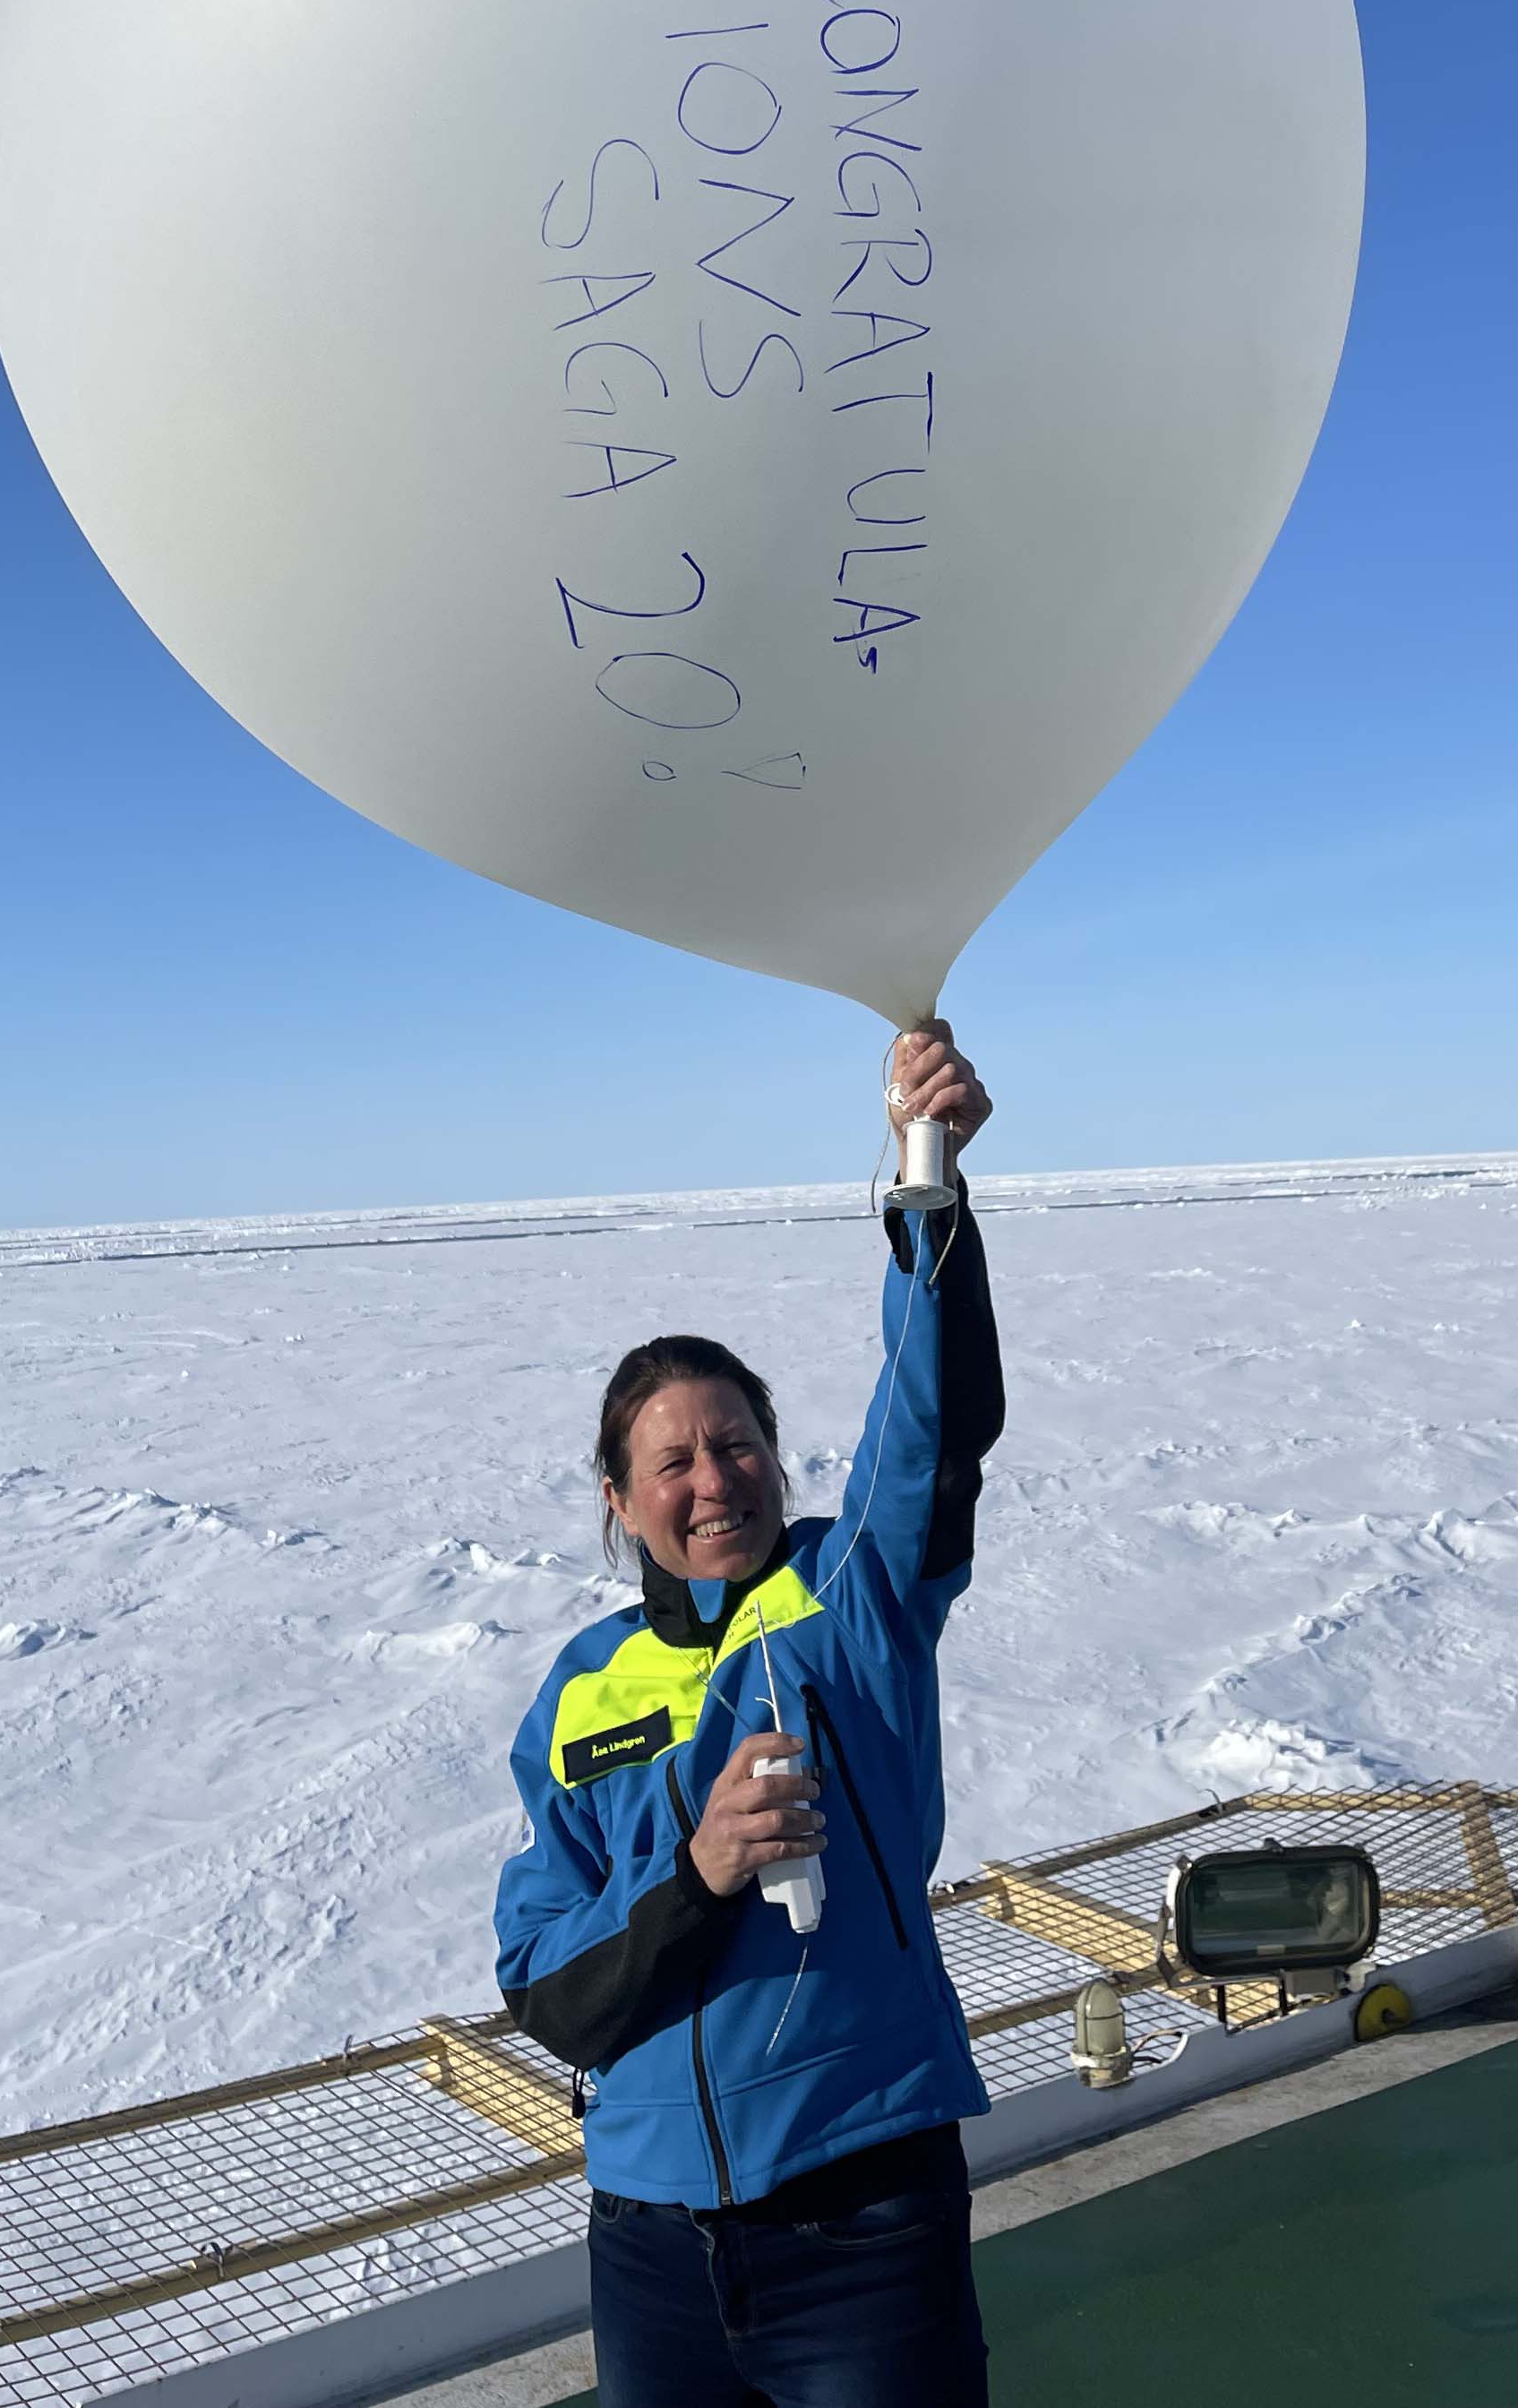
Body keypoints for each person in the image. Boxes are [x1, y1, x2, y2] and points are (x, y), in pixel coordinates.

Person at [494, 1023, 1003, 2408]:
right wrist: (699, 1871)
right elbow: (548, 1984)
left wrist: (928, 1177)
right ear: (618, 1502)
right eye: (673, 1460)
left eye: (738, 1444)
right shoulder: (578, 1696)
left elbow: (932, 1421)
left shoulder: (854, 1593)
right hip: (650, 2244)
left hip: (860, 2213)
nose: (714, 1479)